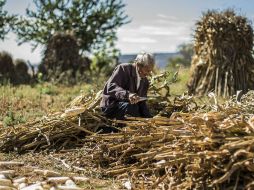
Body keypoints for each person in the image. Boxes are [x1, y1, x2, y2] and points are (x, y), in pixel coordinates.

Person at [100, 52, 155, 120]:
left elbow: (142, 103)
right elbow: (111, 87)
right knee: (131, 107)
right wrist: (128, 94)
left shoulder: (145, 82)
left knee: (139, 110)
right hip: (111, 107)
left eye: (150, 71)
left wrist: (150, 119)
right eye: (147, 70)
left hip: (129, 108)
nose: (148, 73)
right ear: (138, 65)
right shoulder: (123, 69)